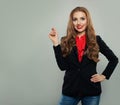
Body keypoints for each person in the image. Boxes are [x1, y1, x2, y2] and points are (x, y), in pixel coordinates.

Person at [48, 7, 118, 105]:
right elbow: (62, 67)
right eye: (75, 19)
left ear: (87, 20)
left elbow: (114, 59)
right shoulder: (65, 40)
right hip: (70, 90)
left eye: (82, 18)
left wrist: (104, 75)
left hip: (91, 91)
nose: (79, 23)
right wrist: (56, 44)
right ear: (71, 22)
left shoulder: (96, 40)